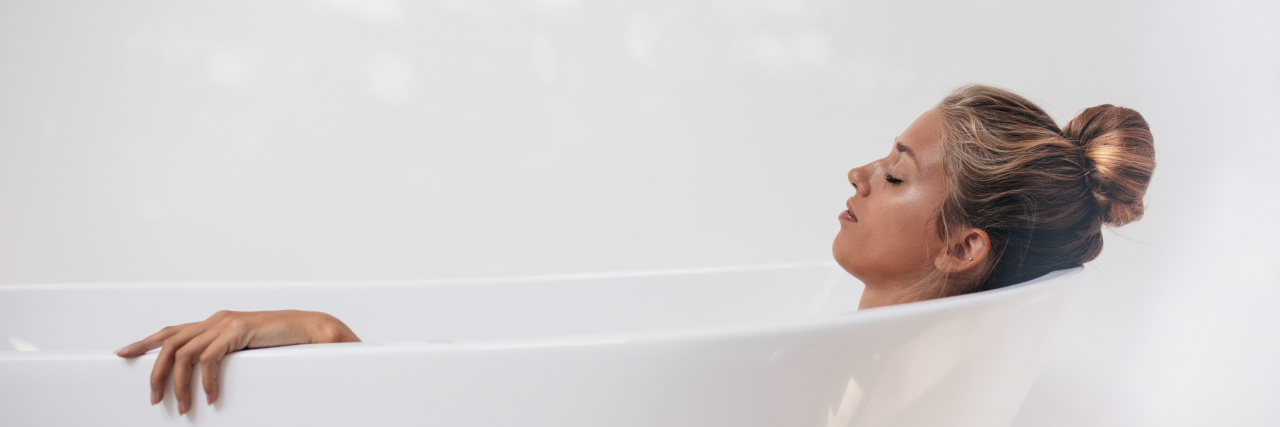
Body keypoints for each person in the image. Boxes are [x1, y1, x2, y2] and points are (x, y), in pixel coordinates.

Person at [115, 84, 1156, 415]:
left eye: (892, 174)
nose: (856, 174)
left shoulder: (800, 381)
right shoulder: (821, 368)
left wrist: (324, 340)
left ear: (963, 243)